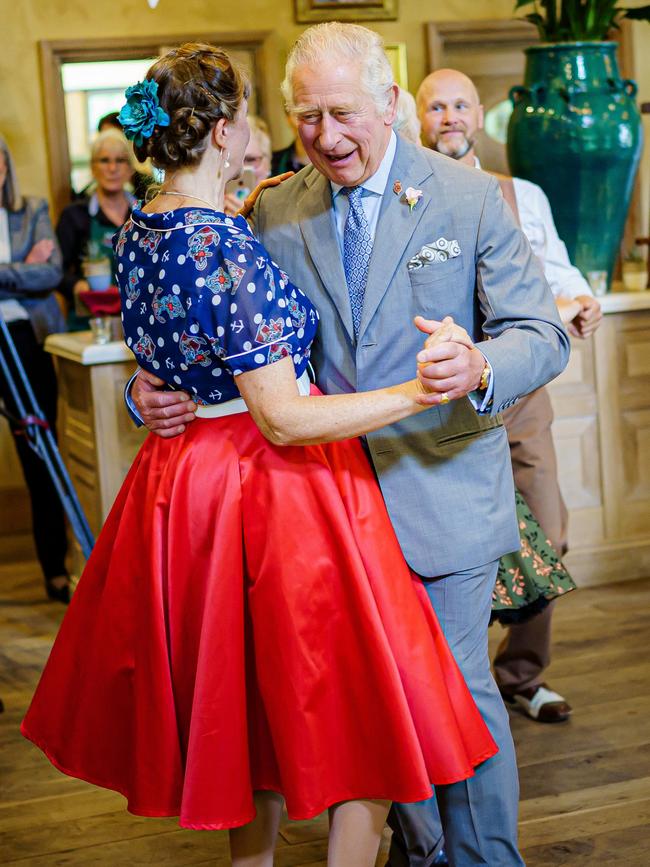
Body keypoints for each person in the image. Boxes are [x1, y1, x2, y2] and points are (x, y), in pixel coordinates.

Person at [21, 43, 500, 867]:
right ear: (224, 132)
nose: (288, 133)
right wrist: (424, 391)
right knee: (368, 710)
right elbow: (279, 414)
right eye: (268, 116)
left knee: (251, 713)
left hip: (191, 488)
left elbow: (175, 338)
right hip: (280, 488)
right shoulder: (228, 241)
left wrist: (152, 387)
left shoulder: (145, 224)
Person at [130, 24, 570, 867]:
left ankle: (482, 860)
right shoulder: (271, 206)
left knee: (451, 693)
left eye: (343, 114)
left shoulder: (472, 198)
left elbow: (541, 333)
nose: (326, 137)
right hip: (317, 514)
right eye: (306, 118)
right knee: (371, 706)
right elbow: (218, 339)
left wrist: (479, 361)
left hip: (437, 489)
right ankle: (421, 850)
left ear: (391, 103)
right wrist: (147, 389)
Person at [416, 67, 603, 725]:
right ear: (417, 117)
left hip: (519, 392)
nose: (449, 117)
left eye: (460, 104)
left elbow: (560, 273)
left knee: (548, 535)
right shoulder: (403, 199)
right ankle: (446, 688)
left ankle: (520, 675)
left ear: (478, 114)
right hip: (434, 402)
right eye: (435, 106)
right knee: (442, 548)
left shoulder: (523, 195)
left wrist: (580, 301)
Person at [0, 134, 70, 603]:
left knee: (40, 451)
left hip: (26, 341)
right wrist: (19, 269)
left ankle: (55, 568)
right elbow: (33, 275)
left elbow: (52, 273)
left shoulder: (32, 209)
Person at [57, 129, 137, 329]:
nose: (112, 168)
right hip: (91, 321)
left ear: (130, 169)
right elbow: (58, 270)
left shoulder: (145, 214)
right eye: (104, 160)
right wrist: (77, 286)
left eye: (120, 160)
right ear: (93, 168)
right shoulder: (75, 215)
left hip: (139, 319)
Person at [224, 114, 272, 216]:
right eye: (232, 161)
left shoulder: (284, 204)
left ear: (268, 163)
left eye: (250, 160)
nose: (241, 169)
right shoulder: (209, 209)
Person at [271, 110, 311, 174]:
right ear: (288, 119)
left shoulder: (330, 160)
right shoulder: (273, 162)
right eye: (297, 114)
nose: (302, 123)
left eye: (310, 115)